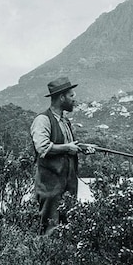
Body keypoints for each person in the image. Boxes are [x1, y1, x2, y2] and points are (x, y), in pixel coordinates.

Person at [30, 76, 94, 235]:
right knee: (48, 231)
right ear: (61, 97)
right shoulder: (42, 120)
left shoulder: (65, 122)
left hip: (68, 187)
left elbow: (68, 148)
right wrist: (68, 147)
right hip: (49, 188)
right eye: (71, 96)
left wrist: (82, 148)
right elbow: (42, 147)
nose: (75, 99)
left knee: (68, 230)